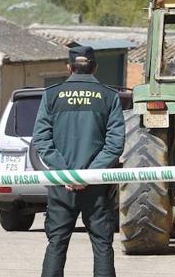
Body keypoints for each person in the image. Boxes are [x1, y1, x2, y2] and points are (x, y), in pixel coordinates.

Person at [33, 45, 125, 277]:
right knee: (102, 245)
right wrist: (89, 175)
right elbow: (115, 144)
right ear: (94, 66)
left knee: (56, 244)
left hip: (61, 185)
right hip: (96, 185)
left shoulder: (52, 95)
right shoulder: (109, 96)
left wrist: (65, 173)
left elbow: (42, 140)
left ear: (69, 67)